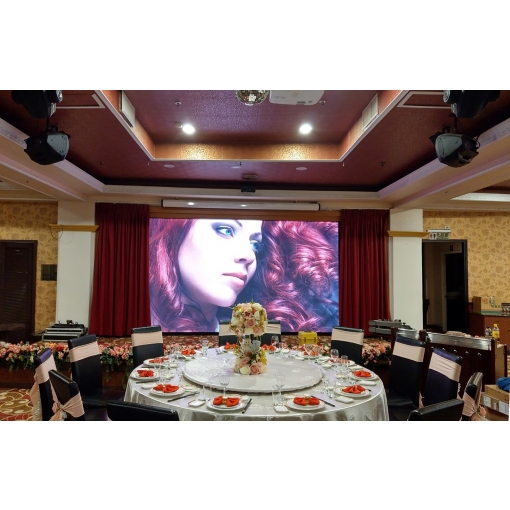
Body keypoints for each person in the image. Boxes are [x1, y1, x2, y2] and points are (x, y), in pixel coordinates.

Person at [149, 218, 338, 332]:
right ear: (174, 233)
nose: (249, 255)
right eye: (225, 230)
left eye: (255, 245)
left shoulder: (246, 335)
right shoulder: (141, 325)